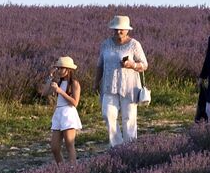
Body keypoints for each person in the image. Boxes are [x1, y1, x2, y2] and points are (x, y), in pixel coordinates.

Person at [94, 15, 149, 147]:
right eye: (115, 29)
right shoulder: (105, 44)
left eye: (121, 30)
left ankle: (130, 148)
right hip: (109, 86)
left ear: (127, 30)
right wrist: (96, 83)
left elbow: (144, 65)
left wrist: (132, 65)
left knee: (129, 119)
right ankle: (117, 146)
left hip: (129, 87)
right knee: (108, 115)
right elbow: (100, 65)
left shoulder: (134, 44)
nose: (118, 32)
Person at [42, 56, 83, 164]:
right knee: (54, 148)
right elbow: (44, 93)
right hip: (58, 113)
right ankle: (62, 170)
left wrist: (60, 91)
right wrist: (50, 77)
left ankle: (73, 170)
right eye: (58, 68)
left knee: (69, 144)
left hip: (69, 114)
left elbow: (75, 102)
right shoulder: (58, 82)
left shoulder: (74, 83)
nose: (59, 71)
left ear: (68, 69)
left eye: (61, 68)